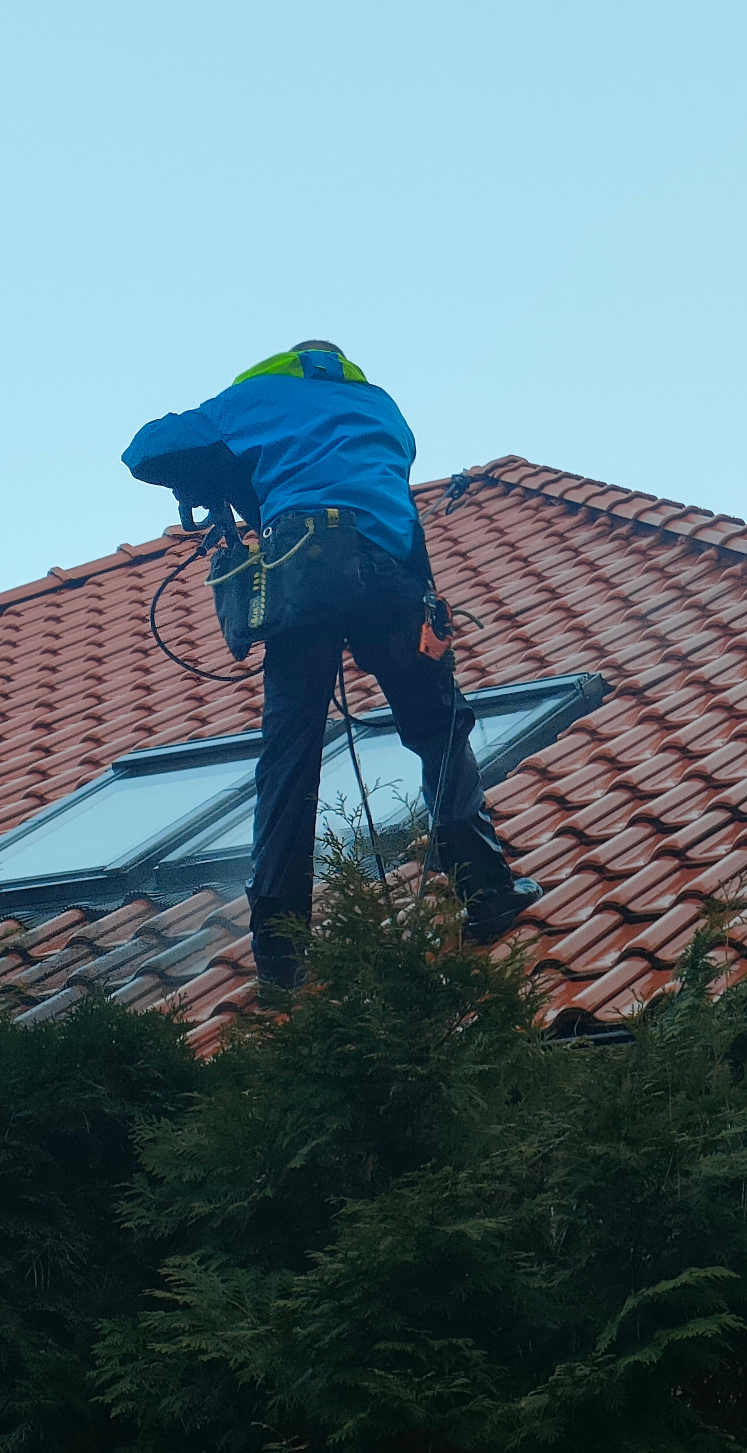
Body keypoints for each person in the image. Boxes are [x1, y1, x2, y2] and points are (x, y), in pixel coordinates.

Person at [123, 342, 541, 988]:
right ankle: (487, 893)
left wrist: (220, 481)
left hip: (305, 578)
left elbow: (146, 450)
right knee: (439, 728)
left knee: (289, 758)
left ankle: (281, 956)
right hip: (392, 572)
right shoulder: (382, 408)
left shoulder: (254, 398)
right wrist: (431, 616)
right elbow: (397, 510)